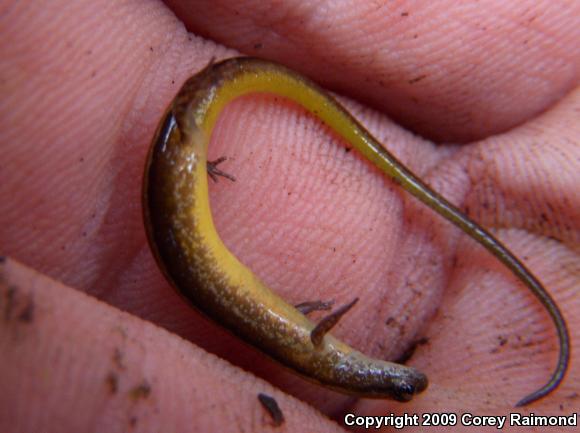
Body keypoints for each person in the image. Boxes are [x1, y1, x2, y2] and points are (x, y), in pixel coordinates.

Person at [1, 1, 578, 431]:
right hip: (183, 167)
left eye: (397, 389)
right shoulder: (323, 354)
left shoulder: (322, 356)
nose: (403, 387)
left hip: (185, 171)